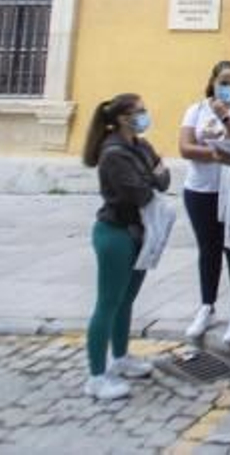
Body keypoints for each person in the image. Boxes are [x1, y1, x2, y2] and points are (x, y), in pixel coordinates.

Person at [80, 93, 169, 400]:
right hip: (115, 234)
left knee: (126, 299)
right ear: (122, 118)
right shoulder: (113, 153)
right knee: (107, 303)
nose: (145, 115)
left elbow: (165, 179)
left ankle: (120, 358)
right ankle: (95, 376)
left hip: (139, 233)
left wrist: (154, 176)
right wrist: (153, 176)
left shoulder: (140, 146)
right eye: (139, 111)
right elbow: (141, 192)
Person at [178, 60, 230, 345]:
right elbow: (185, 147)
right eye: (223, 81)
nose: (228, 87)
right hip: (200, 189)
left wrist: (226, 117)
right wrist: (214, 154)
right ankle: (207, 306)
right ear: (213, 81)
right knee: (208, 249)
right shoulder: (196, 110)